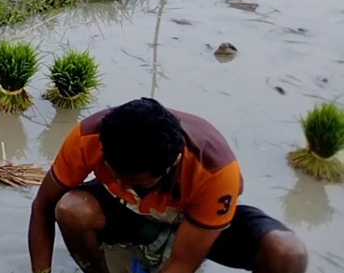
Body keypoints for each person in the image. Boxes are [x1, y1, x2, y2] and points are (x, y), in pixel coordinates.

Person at [28, 98, 308, 273]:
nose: (127, 185)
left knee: (286, 253)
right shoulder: (88, 137)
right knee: (71, 208)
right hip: (127, 214)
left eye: (138, 184)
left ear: (172, 163)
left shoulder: (215, 170)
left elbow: (181, 265)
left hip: (192, 220)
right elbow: (43, 206)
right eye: (117, 176)